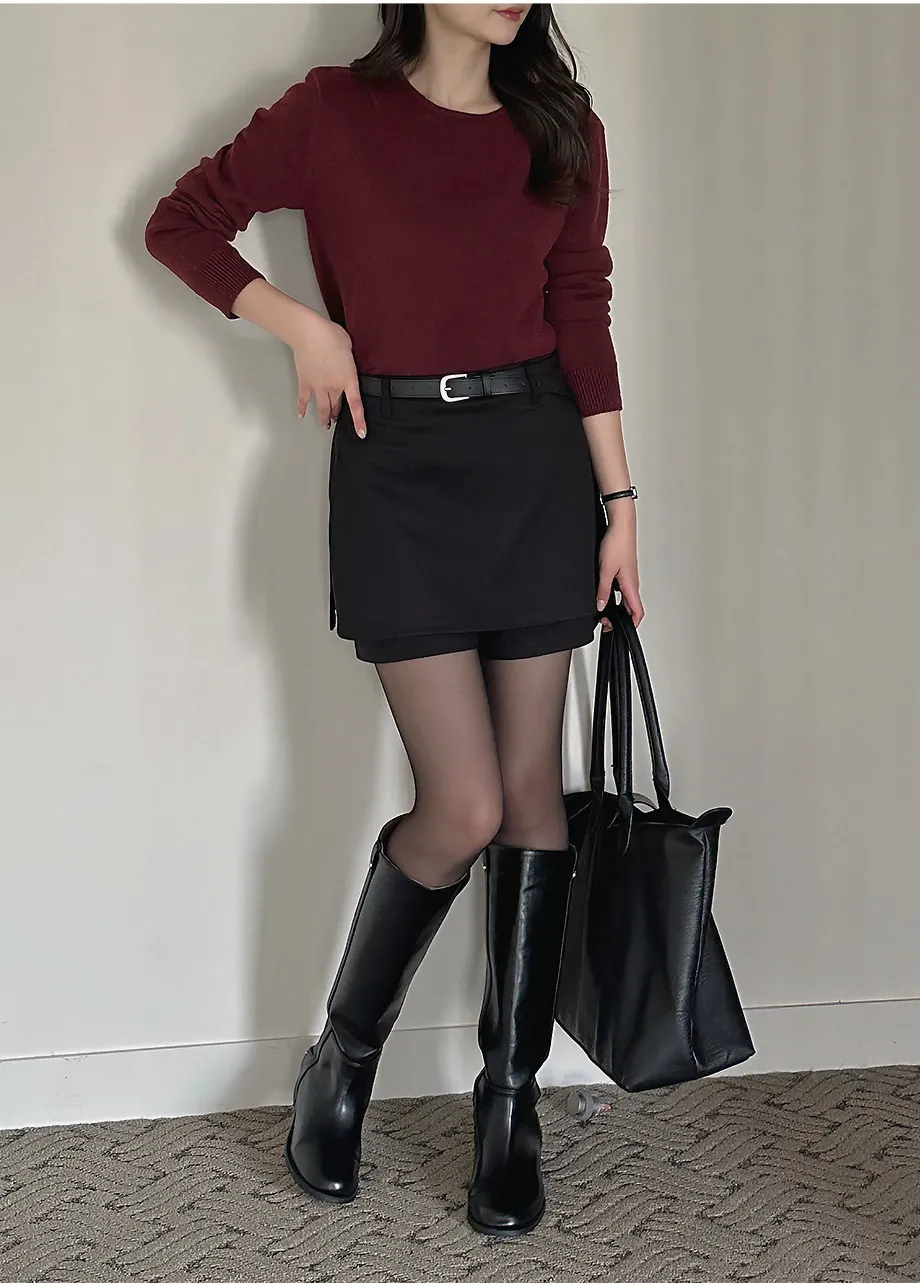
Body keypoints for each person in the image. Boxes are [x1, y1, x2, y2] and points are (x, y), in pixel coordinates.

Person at [145, 2, 642, 1238]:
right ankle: (342, 1058)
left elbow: (579, 305)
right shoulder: (332, 112)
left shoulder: (561, 123)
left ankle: (509, 1105)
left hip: (536, 469)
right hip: (397, 467)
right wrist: (303, 325)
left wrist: (620, 504)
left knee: (529, 801)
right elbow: (182, 221)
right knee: (461, 806)